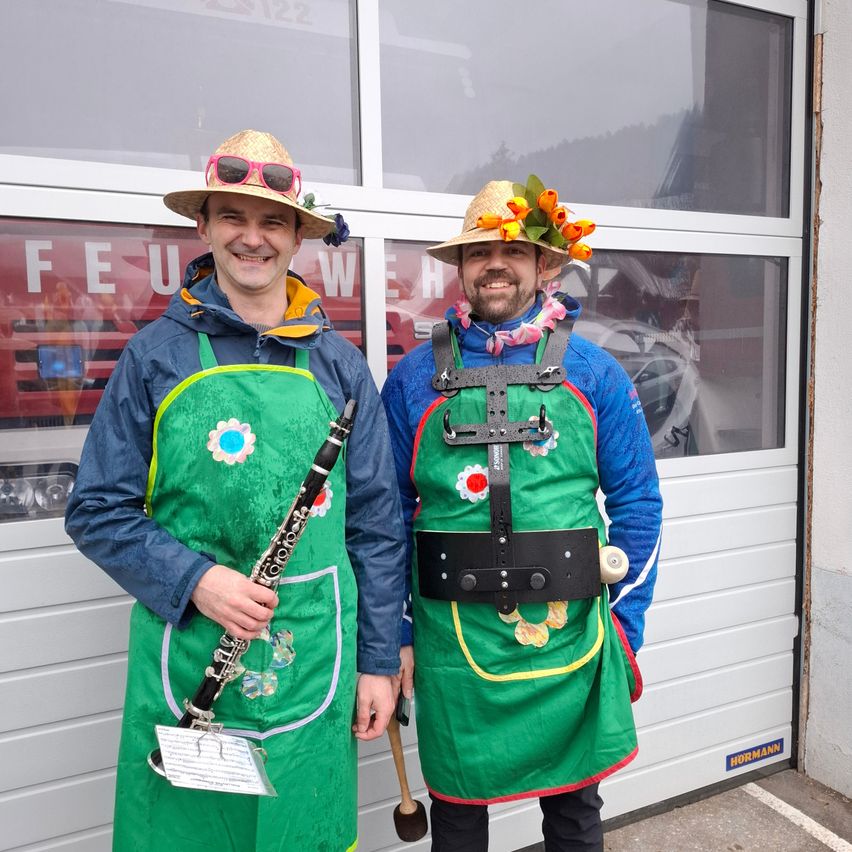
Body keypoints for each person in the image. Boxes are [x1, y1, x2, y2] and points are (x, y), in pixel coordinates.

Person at [65, 129, 406, 852]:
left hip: (315, 654)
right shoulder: (153, 356)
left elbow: (377, 528)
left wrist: (378, 662)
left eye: (273, 221)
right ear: (205, 226)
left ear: (296, 237)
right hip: (189, 654)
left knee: (299, 832)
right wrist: (196, 580)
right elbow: (96, 509)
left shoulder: (342, 368)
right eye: (234, 217)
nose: (253, 238)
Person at [381, 177, 663, 852]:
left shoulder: (594, 374)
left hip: (571, 640)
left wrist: (623, 625)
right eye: (479, 252)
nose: (495, 263)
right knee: (456, 814)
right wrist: (392, 629)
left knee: (573, 818)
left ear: (547, 265)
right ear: (461, 268)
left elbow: (639, 502)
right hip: (451, 643)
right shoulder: (413, 379)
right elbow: (385, 513)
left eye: (513, 248)